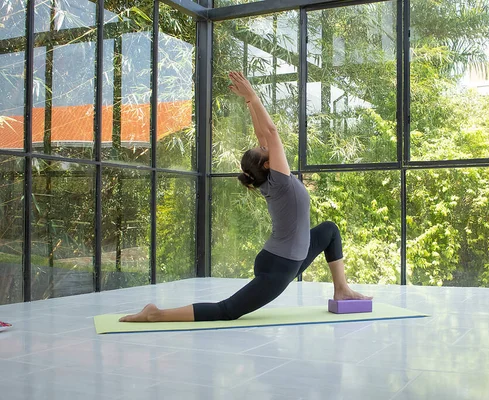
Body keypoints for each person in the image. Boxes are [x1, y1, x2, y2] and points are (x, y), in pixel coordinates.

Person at [120, 71, 371, 323]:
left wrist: (250, 103)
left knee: (328, 230)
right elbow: (271, 133)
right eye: (263, 150)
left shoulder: (270, 178)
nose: (264, 145)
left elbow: (264, 136)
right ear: (266, 164)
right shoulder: (281, 181)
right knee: (227, 311)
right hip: (279, 266)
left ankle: (342, 289)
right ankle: (156, 314)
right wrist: (252, 95)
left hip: (288, 256)